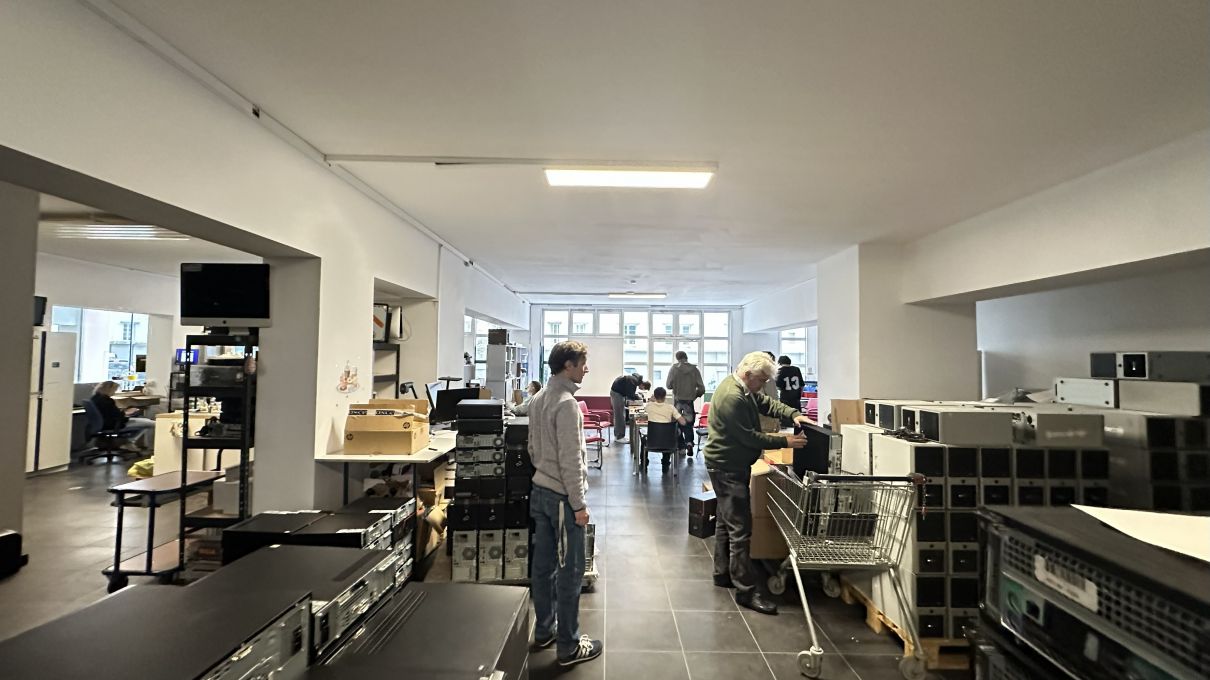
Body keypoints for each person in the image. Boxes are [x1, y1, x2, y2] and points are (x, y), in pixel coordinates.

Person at [703, 352, 811, 615]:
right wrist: (786, 441)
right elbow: (749, 437)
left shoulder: (742, 388)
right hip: (728, 466)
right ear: (748, 374)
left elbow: (765, 402)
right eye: (761, 379)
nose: (763, 385)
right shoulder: (733, 397)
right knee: (741, 530)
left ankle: (722, 574)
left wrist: (793, 414)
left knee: (725, 521)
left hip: (726, 463)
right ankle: (746, 591)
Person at [526, 340, 603, 667]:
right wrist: (579, 505)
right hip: (561, 499)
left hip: (540, 491)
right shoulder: (567, 404)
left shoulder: (539, 398)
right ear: (568, 366)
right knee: (570, 572)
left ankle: (545, 630)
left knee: (542, 567)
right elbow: (572, 461)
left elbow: (532, 447)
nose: (586, 369)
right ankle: (569, 647)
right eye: (582, 364)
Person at [90, 381, 155, 450]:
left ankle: (127, 442)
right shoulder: (107, 400)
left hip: (103, 424)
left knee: (143, 421)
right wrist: (126, 412)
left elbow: (109, 413)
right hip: (115, 424)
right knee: (152, 423)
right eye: (114, 390)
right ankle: (128, 442)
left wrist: (124, 412)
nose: (114, 392)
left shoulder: (94, 398)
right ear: (109, 389)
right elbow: (118, 416)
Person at [665, 351, 705, 453]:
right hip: (688, 402)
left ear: (677, 358)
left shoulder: (674, 369)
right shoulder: (694, 370)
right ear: (686, 357)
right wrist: (694, 396)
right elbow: (702, 388)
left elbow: (668, 385)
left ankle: (681, 447)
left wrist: (676, 385)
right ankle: (689, 443)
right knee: (688, 424)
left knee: (677, 423)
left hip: (678, 401)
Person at [641, 387, 688, 468]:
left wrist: (651, 400)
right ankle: (665, 461)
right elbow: (683, 422)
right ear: (665, 396)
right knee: (669, 434)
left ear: (654, 396)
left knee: (643, 438)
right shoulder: (670, 407)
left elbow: (645, 409)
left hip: (652, 441)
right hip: (668, 442)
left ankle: (644, 462)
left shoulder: (649, 406)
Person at [608, 373, 648, 443]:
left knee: (620, 415)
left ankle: (619, 435)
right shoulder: (633, 381)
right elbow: (631, 395)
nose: (641, 389)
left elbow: (630, 393)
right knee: (620, 416)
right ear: (643, 385)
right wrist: (639, 398)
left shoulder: (634, 380)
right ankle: (619, 437)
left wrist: (636, 396)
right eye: (643, 388)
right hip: (617, 394)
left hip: (617, 393)